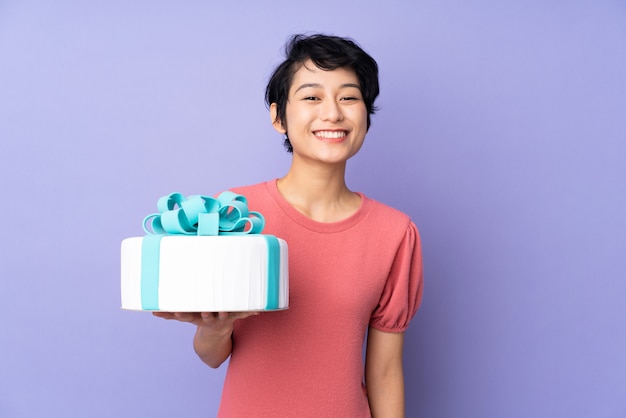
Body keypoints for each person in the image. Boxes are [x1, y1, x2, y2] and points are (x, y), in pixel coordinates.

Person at [154, 33, 423, 417]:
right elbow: (212, 356)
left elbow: (384, 372)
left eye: (349, 97)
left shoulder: (395, 233)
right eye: (312, 97)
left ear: (366, 114)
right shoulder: (235, 214)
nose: (332, 113)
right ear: (279, 117)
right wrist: (214, 328)